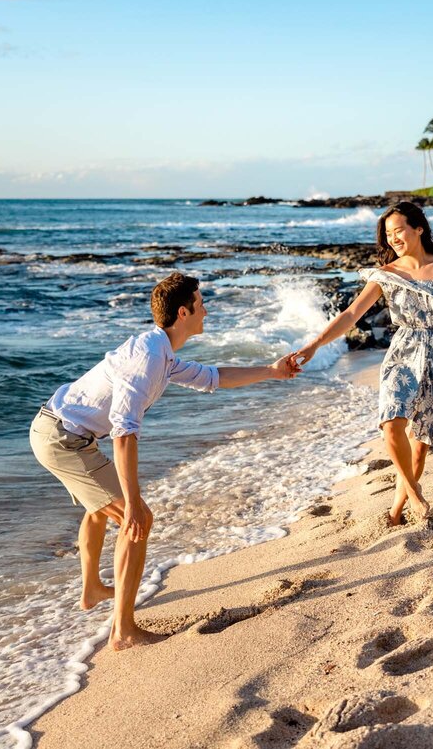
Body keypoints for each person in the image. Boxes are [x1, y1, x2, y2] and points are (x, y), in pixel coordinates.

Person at [30, 272, 301, 650]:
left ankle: (92, 588)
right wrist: (135, 501)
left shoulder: (162, 352)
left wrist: (272, 371)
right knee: (135, 518)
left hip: (64, 433)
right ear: (183, 312)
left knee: (100, 509)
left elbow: (213, 377)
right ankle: (124, 631)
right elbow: (124, 432)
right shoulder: (148, 358)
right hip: (63, 440)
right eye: (201, 303)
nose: (206, 310)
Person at [293, 202, 433, 525]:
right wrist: (314, 344)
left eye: (399, 230)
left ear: (419, 229)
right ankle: (414, 492)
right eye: (388, 234)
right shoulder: (387, 274)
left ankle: (396, 512)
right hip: (404, 350)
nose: (394, 238)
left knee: (421, 443)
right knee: (391, 422)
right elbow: (351, 314)